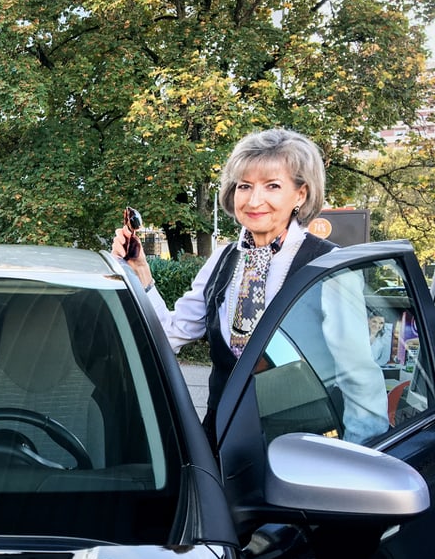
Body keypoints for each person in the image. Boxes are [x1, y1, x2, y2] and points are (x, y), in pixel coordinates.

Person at [112, 128, 388, 445]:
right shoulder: (223, 258)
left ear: (301, 194)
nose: (254, 200)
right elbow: (171, 333)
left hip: (301, 447)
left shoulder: (329, 266)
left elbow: (358, 376)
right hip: (223, 440)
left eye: (272, 186)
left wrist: (362, 458)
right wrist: (141, 274)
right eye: (245, 186)